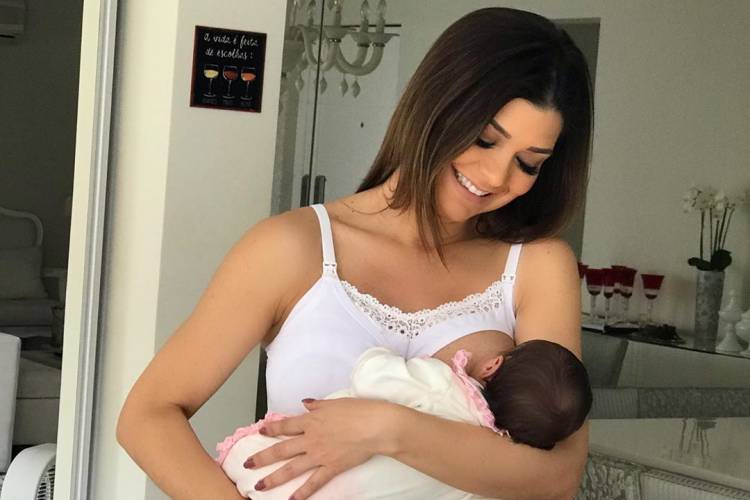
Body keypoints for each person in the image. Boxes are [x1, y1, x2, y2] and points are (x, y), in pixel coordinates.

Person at [117, 6, 593, 500]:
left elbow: (558, 477)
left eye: (528, 163)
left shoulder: (537, 266)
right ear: (437, 106)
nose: (496, 176)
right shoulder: (291, 248)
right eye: (485, 139)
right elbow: (148, 416)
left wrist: (388, 428)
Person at [217, 337, 593, 499]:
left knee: (252, 457)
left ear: (494, 364)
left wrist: (384, 354)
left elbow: (370, 376)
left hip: (278, 472)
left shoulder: (444, 386)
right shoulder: (482, 476)